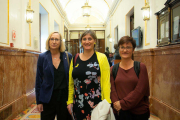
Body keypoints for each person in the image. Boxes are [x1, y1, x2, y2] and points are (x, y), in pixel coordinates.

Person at [67, 30, 111, 120]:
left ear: (95, 41)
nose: (87, 41)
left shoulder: (102, 57)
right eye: (84, 39)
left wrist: (107, 102)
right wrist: (70, 101)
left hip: (96, 103)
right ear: (81, 41)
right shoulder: (75, 58)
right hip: (78, 102)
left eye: (90, 39)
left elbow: (106, 82)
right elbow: (71, 82)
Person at [110, 36, 150, 120]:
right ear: (119, 49)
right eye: (122, 47)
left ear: (133, 50)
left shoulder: (141, 67)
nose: (125, 50)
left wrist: (122, 103)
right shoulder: (113, 69)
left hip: (139, 112)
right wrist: (116, 104)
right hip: (120, 112)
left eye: (128, 47)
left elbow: (140, 91)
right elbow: (112, 89)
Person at [35, 32, 72, 120]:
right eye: (52, 39)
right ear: (48, 41)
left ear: (60, 42)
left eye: (57, 39)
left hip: (64, 98)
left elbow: (72, 78)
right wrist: (39, 101)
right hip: (47, 98)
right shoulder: (42, 57)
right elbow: (38, 80)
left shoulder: (68, 56)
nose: (54, 42)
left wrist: (72, 99)